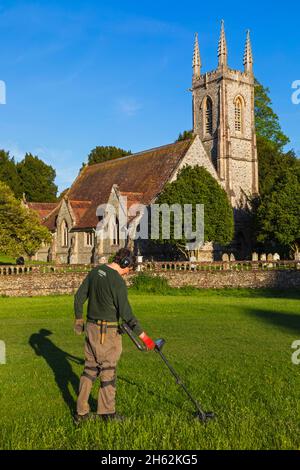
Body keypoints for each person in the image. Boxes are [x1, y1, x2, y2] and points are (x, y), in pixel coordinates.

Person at [74, 248, 156, 423]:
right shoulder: (117, 282)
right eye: (129, 269)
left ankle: (81, 413)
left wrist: (79, 319)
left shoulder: (96, 271)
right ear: (125, 263)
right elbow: (127, 315)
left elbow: (79, 297)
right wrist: (146, 339)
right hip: (107, 333)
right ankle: (107, 413)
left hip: (90, 328)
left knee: (89, 369)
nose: (128, 273)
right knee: (108, 370)